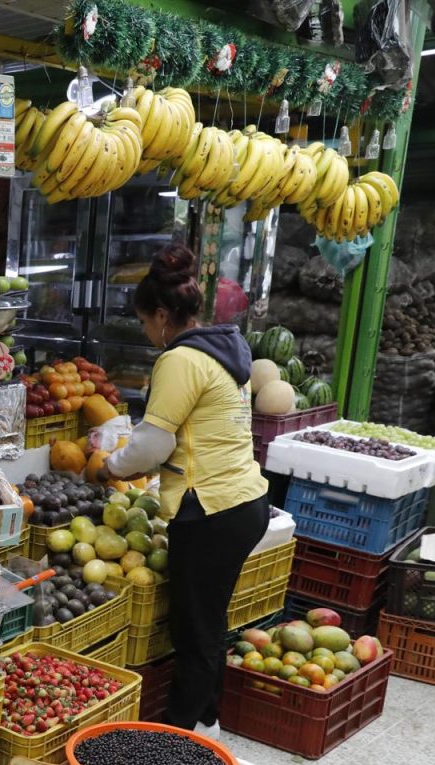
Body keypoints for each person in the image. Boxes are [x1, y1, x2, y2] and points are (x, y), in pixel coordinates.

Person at [101, 245, 269, 735]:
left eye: (144, 324)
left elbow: (152, 444)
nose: (147, 335)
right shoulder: (226, 349)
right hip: (244, 501)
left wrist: (110, 468)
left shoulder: (179, 360)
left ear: (160, 315)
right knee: (210, 623)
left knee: (195, 630)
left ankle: (179, 734)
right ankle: (206, 723)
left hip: (211, 508)